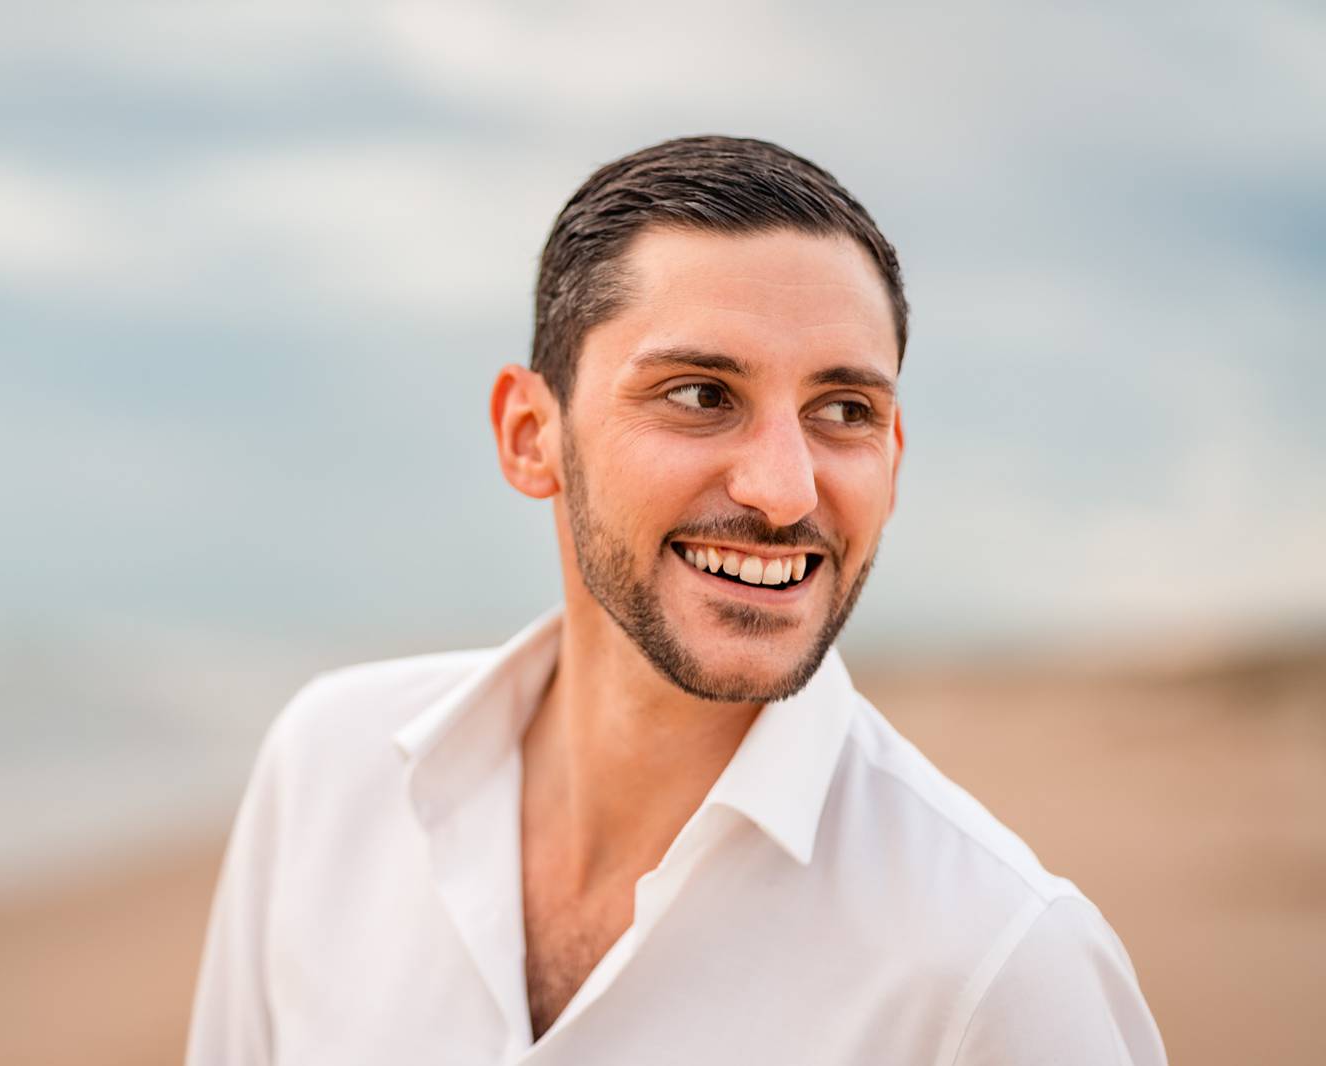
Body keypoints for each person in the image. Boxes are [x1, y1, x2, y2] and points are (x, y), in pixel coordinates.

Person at [185, 135, 1167, 1064]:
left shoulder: (1001, 968)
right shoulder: (329, 772)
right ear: (532, 435)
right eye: (701, 395)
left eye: (843, 411)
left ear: (894, 462)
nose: (783, 489)